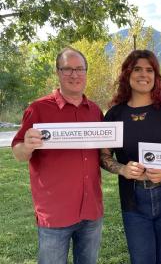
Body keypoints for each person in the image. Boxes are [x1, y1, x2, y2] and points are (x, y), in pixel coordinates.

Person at [12, 47, 103, 264]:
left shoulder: (95, 111)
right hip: (55, 214)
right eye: (68, 69)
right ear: (58, 72)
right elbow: (18, 153)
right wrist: (27, 145)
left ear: (86, 73)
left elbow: (104, 153)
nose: (74, 74)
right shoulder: (38, 109)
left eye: (79, 69)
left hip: (91, 211)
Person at [100, 49, 161, 264]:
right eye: (137, 69)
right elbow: (104, 156)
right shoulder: (114, 114)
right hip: (134, 201)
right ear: (127, 74)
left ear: (156, 75)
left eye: (149, 70)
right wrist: (122, 169)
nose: (144, 74)